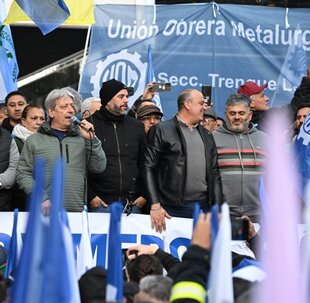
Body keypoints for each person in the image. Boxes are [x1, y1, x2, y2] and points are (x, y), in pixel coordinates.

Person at [17, 87, 106, 212]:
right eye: (64, 107)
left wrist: (92, 140)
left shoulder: (83, 138)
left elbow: (99, 167)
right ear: (51, 112)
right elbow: (23, 173)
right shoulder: (34, 140)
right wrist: (41, 198)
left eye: (72, 106)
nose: (70, 110)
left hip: (76, 212)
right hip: (44, 212)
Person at [144, 89, 222, 232]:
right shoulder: (161, 130)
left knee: (201, 252)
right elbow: (148, 167)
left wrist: (217, 208)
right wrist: (155, 204)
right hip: (171, 208)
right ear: (187, 104)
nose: (205, 107)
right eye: (201, 103)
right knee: (172, 253)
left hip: (204, 207)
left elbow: (214, 173)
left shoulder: (207, 135)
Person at [87, 79, 147, 213]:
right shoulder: (89, 125)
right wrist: (90, 196)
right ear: (108, 100)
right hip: (101, 204)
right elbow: (79, 166)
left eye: (127, 96)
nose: (126, 100)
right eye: (121, 97)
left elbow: (144, 163)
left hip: (133, 203)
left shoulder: (136, 126)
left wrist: (145, 194)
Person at [213, 93, 267, 222]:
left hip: (259, 213)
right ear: (226, 115)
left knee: (256, 243)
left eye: (241, 113)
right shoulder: (212, 139)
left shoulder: (265, 139)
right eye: (232, 113)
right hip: (224, 214)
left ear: (250, 115)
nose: (237, 117)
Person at [11, 104, 45, 210]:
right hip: (23, 199)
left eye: (42, 118)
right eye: (34, 118)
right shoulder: (14, 142)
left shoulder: (50, 140)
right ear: (23, 120)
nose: (39, 122)